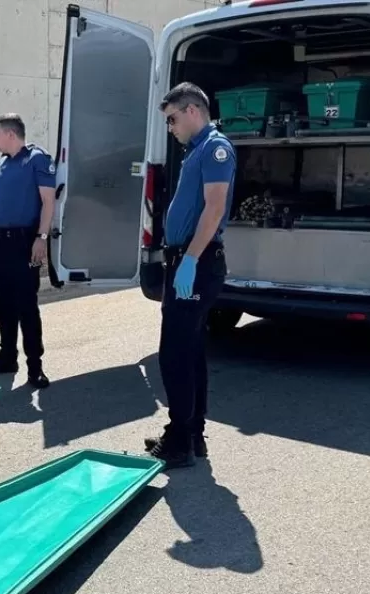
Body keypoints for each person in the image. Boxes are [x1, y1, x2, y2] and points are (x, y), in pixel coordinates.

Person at [144, 82, 236, 468]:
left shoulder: (215, 148)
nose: (170, 128)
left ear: (192, 111)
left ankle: (180, 441)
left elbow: (214, 209)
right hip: (186, 260)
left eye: (172, 119)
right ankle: (192, 434)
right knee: (191, 351)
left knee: (175, 354)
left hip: (196, 263)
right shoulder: (197, 150)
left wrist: (191, 259)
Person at [0, 113, 53, 389]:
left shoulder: (36, 159)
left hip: (24, 243)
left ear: (10, 134)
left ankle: (35, 366)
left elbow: (48, 201)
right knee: (4, 304)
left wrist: (42, 237)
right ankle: (7, 356)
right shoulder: (3, 163)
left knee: (26, 306)